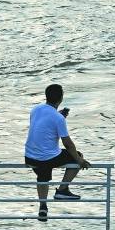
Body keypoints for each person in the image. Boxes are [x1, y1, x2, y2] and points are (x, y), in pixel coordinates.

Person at [24, 84, 91, 222]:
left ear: (46, 96)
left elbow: (43, 126)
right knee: (76, 155)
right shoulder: (58, 118)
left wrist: (58, 115)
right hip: (47, 158)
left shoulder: (35, 109)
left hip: (30, 156)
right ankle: (62, 190)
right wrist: (80, 161)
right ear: (60, 99)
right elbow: (68, 143)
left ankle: (43, 206)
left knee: (42, 174)